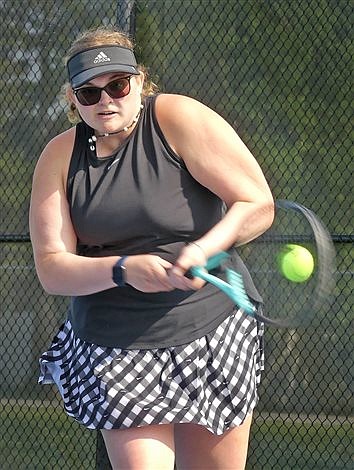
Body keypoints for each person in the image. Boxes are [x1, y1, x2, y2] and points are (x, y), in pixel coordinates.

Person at [30, 25, 274, 470]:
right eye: (89, 93)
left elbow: (256, 203)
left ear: (139, 82)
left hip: (210, 327)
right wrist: (122, 268)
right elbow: (51, 266)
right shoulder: (59, 157)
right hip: (114, 343)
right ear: (72, 99)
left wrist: (204, 249)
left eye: (118, 86)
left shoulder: (178, 117)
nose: (106, 100)